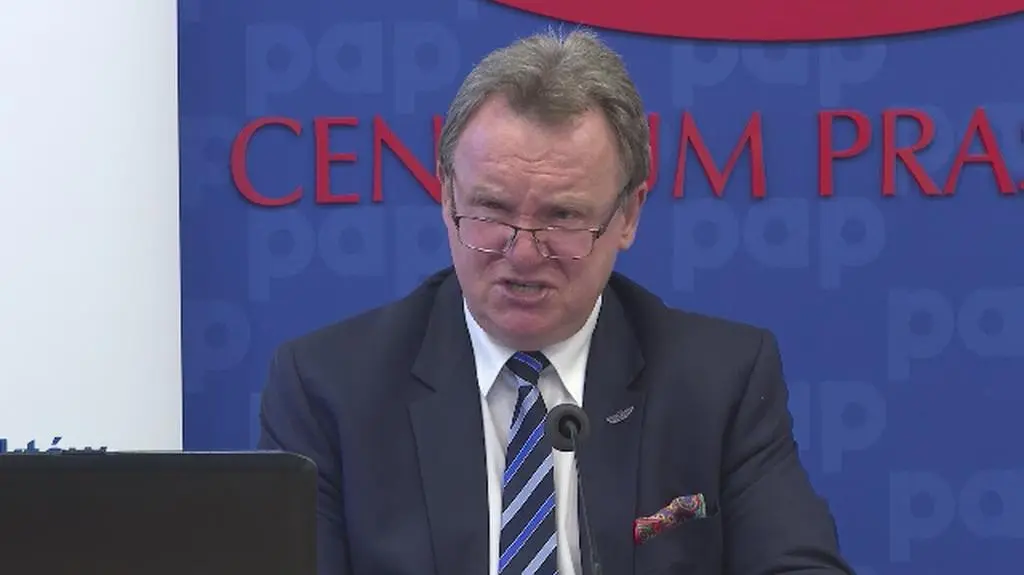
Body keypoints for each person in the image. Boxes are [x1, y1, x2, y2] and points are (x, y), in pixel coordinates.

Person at [257, 27, 854, 575]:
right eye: (491, 211)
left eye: (562, 217)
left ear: (628, 215)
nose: (522, 254)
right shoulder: (330, 388)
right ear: (446, 196)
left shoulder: (718, 382)